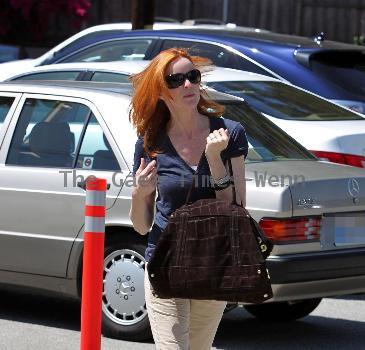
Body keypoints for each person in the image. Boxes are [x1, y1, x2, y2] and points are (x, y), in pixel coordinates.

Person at [129, 48, 248, 350]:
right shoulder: (150, 143)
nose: (188, 85)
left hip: (214, 261)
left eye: (192, 76)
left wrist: (215, 158)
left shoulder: (229, 133)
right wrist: (140, 193)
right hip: (166, 261)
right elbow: (142, 226)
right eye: (176, 80)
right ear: (160, 91)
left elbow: (235, 208)